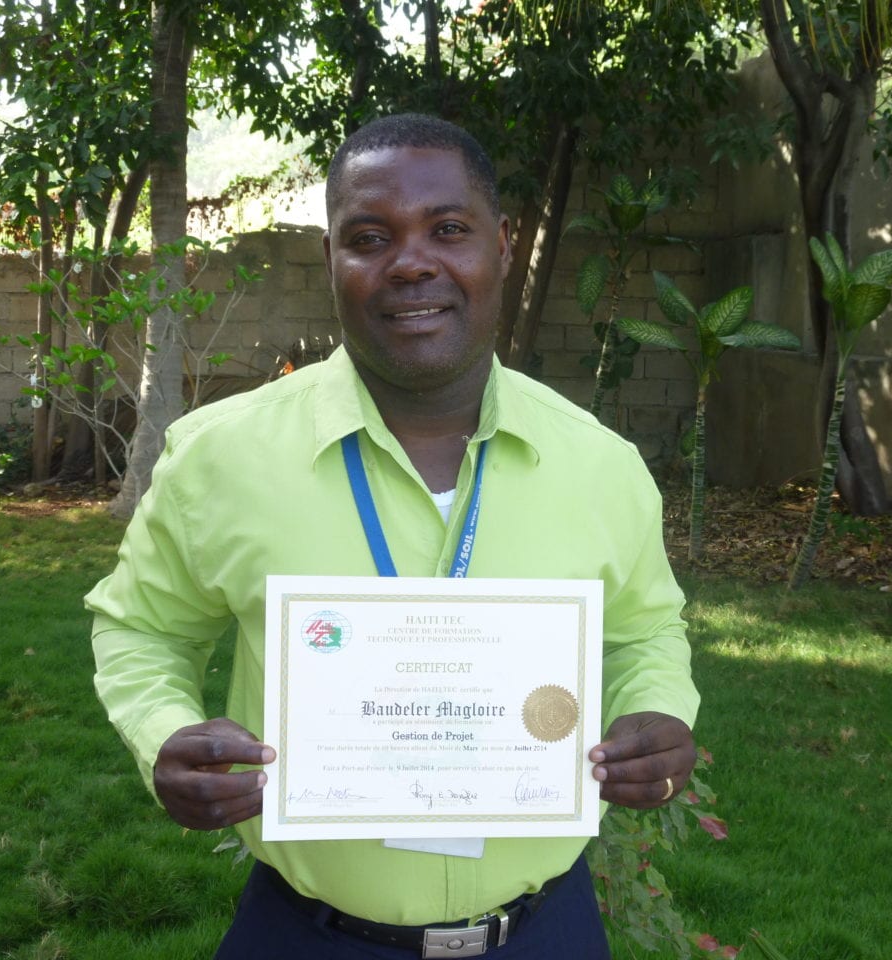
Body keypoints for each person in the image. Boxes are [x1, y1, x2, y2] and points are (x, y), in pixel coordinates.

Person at [86, 113, 699, 959]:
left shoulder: (601, 466)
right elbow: (144, 628)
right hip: (307, 935)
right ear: (331, 260)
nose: (412, 262)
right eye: (370, 237)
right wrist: (163, 736)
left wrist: (658, 713)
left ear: (503, 244)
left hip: (544, 932)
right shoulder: (219, 458)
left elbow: (645, 630)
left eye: (449, 229)